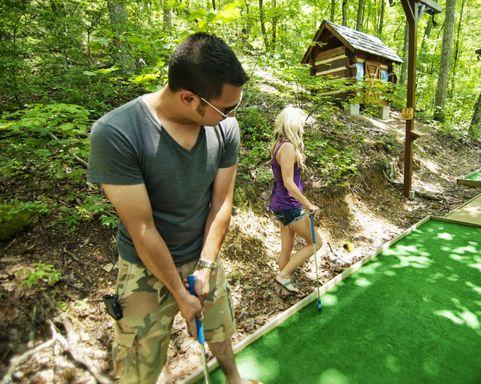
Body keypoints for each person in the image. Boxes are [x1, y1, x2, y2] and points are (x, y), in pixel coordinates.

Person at [88, 33, 259, 384]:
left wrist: (207, 265)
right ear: (188, 97)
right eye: (226, 108)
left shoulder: (224, 129)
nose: (232, 116)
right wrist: (180, 293)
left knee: (219, 329)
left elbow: (222, 201)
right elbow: (142, 229)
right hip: (144, 267)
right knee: (139, 363)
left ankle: (235, 380)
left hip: (202, 256)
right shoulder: (116, 133)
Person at [269, 106, 323, 293]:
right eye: (301, 125)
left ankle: (283, 283)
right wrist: (309, 205)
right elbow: (289, 184)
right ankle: (283, 275)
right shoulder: (289, 148)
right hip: (288, 205)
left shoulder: (278, 145)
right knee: (316, 242)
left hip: (279, 204)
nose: (303, 128)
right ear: (294, 125)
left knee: (287, 246)